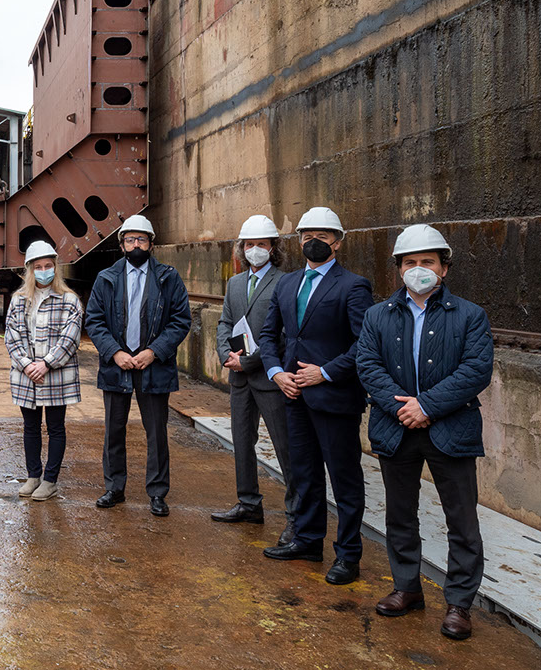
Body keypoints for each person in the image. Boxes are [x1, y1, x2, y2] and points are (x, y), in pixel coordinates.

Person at [357, 224, 493, 641]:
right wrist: (404, 407)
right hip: (396, 427)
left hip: (450, 429)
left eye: (427, 262)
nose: (419, 269)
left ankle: (459, 604)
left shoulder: (470, 315)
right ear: (399, 269)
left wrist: (428, 406)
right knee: (400, 514)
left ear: (444, 269)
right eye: (411, 262)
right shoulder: (378, 315)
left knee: (461, 518)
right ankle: (406, 588)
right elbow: (367, 364)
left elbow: (476, 369)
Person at [259, 206, 373, 585]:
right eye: (307, 234)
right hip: (294, 396)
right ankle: (307, 540)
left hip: (335, 399)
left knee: (344, 479)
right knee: (304, 474)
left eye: (323, 236)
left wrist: (325, 373)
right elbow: (268, 335)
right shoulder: (287, 284)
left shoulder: (353, 286)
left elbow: (364, 343)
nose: (314, 241)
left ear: (337, 242)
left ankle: (348, 555)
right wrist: (276, 372)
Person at [85, 215, 192, 516]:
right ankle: (114, 488)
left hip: (153, 367)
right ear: (121, 245)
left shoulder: (168, 278)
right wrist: (114, 352)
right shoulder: (106, 278)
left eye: (141, 240)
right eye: (130, 240)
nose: (136, 245)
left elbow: (181, 320)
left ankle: (157, 492)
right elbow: (94, 320)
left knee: (156, 432)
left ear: (151, 244)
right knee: (114, 430)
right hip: (117, 365)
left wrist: (155, 352)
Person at [212, 215, 300, 545]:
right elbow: (225, 323)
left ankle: (295, 515)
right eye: (249, 245)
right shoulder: (235, 284)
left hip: (268, 377)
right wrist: (227, 356)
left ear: (273, 248)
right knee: (242, 442)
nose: (255, 250)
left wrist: (248, 360)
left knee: (284, 447)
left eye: (261, 244)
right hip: (240, 380)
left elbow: (282, 333)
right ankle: (249, 503)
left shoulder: (285, 282)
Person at [4, 240, 84, 501]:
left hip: (55, 374)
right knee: (30, 427)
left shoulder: (70, 300)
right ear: (30, 270)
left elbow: (70, 338)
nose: (44, 270)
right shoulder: (18, 300)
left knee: (56, 427)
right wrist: (27, 364)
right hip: (27, 374)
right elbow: (11, 336)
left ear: (55, 268)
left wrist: (46, 363)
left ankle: (50, 481)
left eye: (48, 266)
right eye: (38, 267)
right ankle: (33, 476)